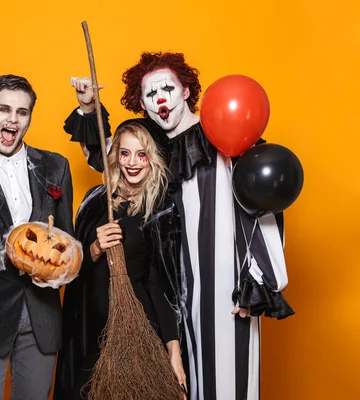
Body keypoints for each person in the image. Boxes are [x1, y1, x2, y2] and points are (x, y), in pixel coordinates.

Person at [64, 52, 294, 400]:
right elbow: (115, 157)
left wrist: (259, 281)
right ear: (141, 103)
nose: (160, 99)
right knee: (185, 386)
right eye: (149, 95)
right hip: (174, 298)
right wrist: (89, 107)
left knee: (228, 385)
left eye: (168, 88)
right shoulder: (158, 147)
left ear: (186, 90)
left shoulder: (223, 132)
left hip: (225, 291)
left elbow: (263, 201)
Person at [0, 74, 75, 400]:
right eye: (3, 109)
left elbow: (68, 243)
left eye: (22, 112)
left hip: (42, 320)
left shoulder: (55, 166)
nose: (12, 119)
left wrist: (56, 273)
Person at [54, 120, 187, 399]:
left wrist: (173, 351)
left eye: (142, 154)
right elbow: (71, 269)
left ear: (153, 159)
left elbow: (162, 284)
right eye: (125, 153)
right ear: (115, 156)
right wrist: (93, 248)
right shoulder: (95, 201)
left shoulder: (161, 209)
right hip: (91, 333)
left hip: (138, 334)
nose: (133, 163)